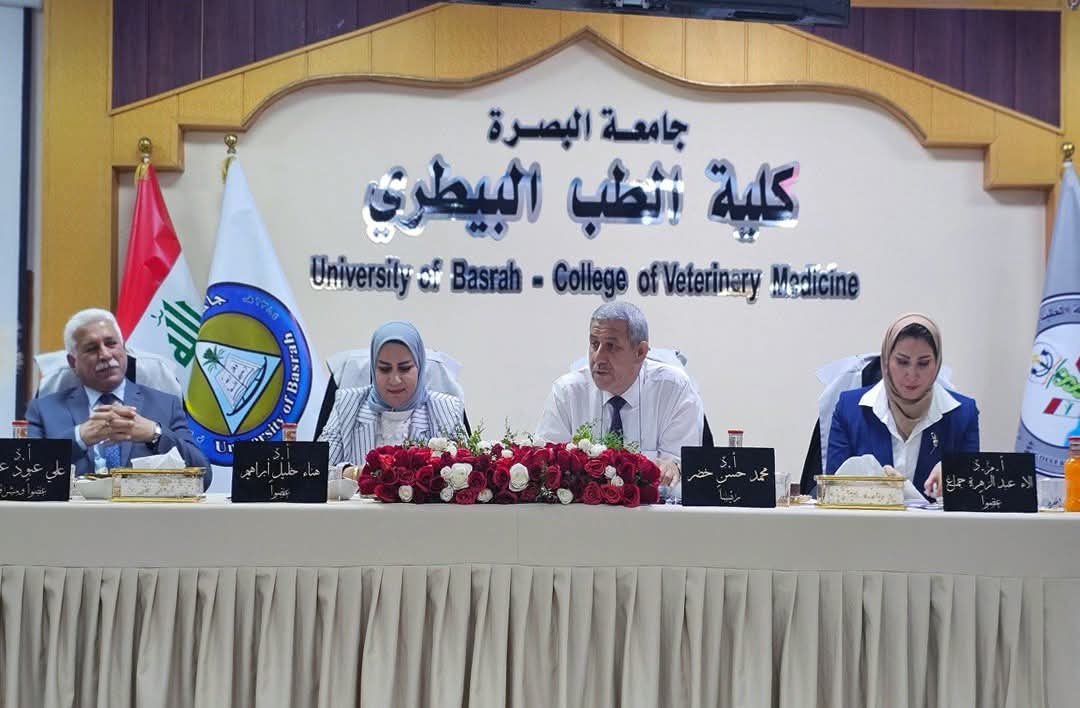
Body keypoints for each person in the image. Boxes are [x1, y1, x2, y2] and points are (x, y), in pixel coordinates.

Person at [26, 308, 210, 485]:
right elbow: (25, 479)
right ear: (73, 362)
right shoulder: (43, 410)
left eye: (111, 344)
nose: (105, 355)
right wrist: (79, 438)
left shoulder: (165, 405)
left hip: (143, 507)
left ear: (124, 349)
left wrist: (155, 434)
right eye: (91, 348)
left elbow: (204, 476)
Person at [535, 302, 704, 486]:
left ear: (640, 352)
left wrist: (673, 467)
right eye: (594, 344)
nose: (598, 357)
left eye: (611, 346)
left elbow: (681, 468)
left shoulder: (674, 390)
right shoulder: (567, 393)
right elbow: (545, 467)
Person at [826, 313, 979, 500]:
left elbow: (969, 500)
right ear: (886, 360)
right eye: (902, 362)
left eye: (923, 363)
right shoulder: (850, 410)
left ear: (937, 363)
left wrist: (955, 475)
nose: (912, 374)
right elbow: (833, 494)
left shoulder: (963, 414)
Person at [319, 321, 465, 466]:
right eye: (384, 369)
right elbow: (317, 469)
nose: (395, 380)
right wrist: (353, 472)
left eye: (404, 368)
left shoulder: (447, 410)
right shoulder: (347, 404)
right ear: (373, 369)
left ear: (420, 367)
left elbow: (466, 470)